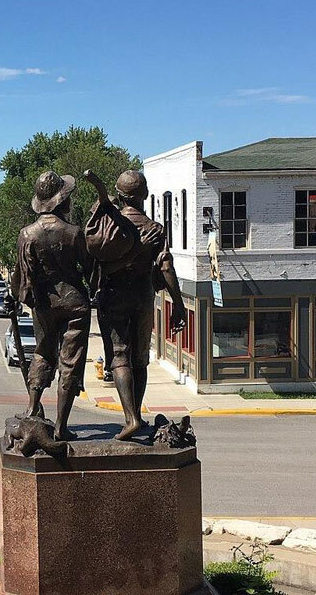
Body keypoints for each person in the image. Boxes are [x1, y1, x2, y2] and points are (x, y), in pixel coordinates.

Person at [84, 169, 186, 441]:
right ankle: (135, 415)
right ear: (146, 195)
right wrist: (178, 305)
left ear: (119, 196)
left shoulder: (109, 228)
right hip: (143, 297)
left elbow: (97, 268)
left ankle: (131, 418)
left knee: (120, 356)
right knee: (140, 360)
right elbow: (166, 267)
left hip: (113, 296)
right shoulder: (155, 229)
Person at [9, 170, 91, 441]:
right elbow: (90, 269)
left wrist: (16, 297)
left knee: (43, 353)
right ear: (62, 200)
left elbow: (20, 275)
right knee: (70, 362)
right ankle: (60, 425)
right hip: (75, 302)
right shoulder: (74, 233)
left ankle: (33, 407)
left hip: (44, 303)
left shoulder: (27, 234)